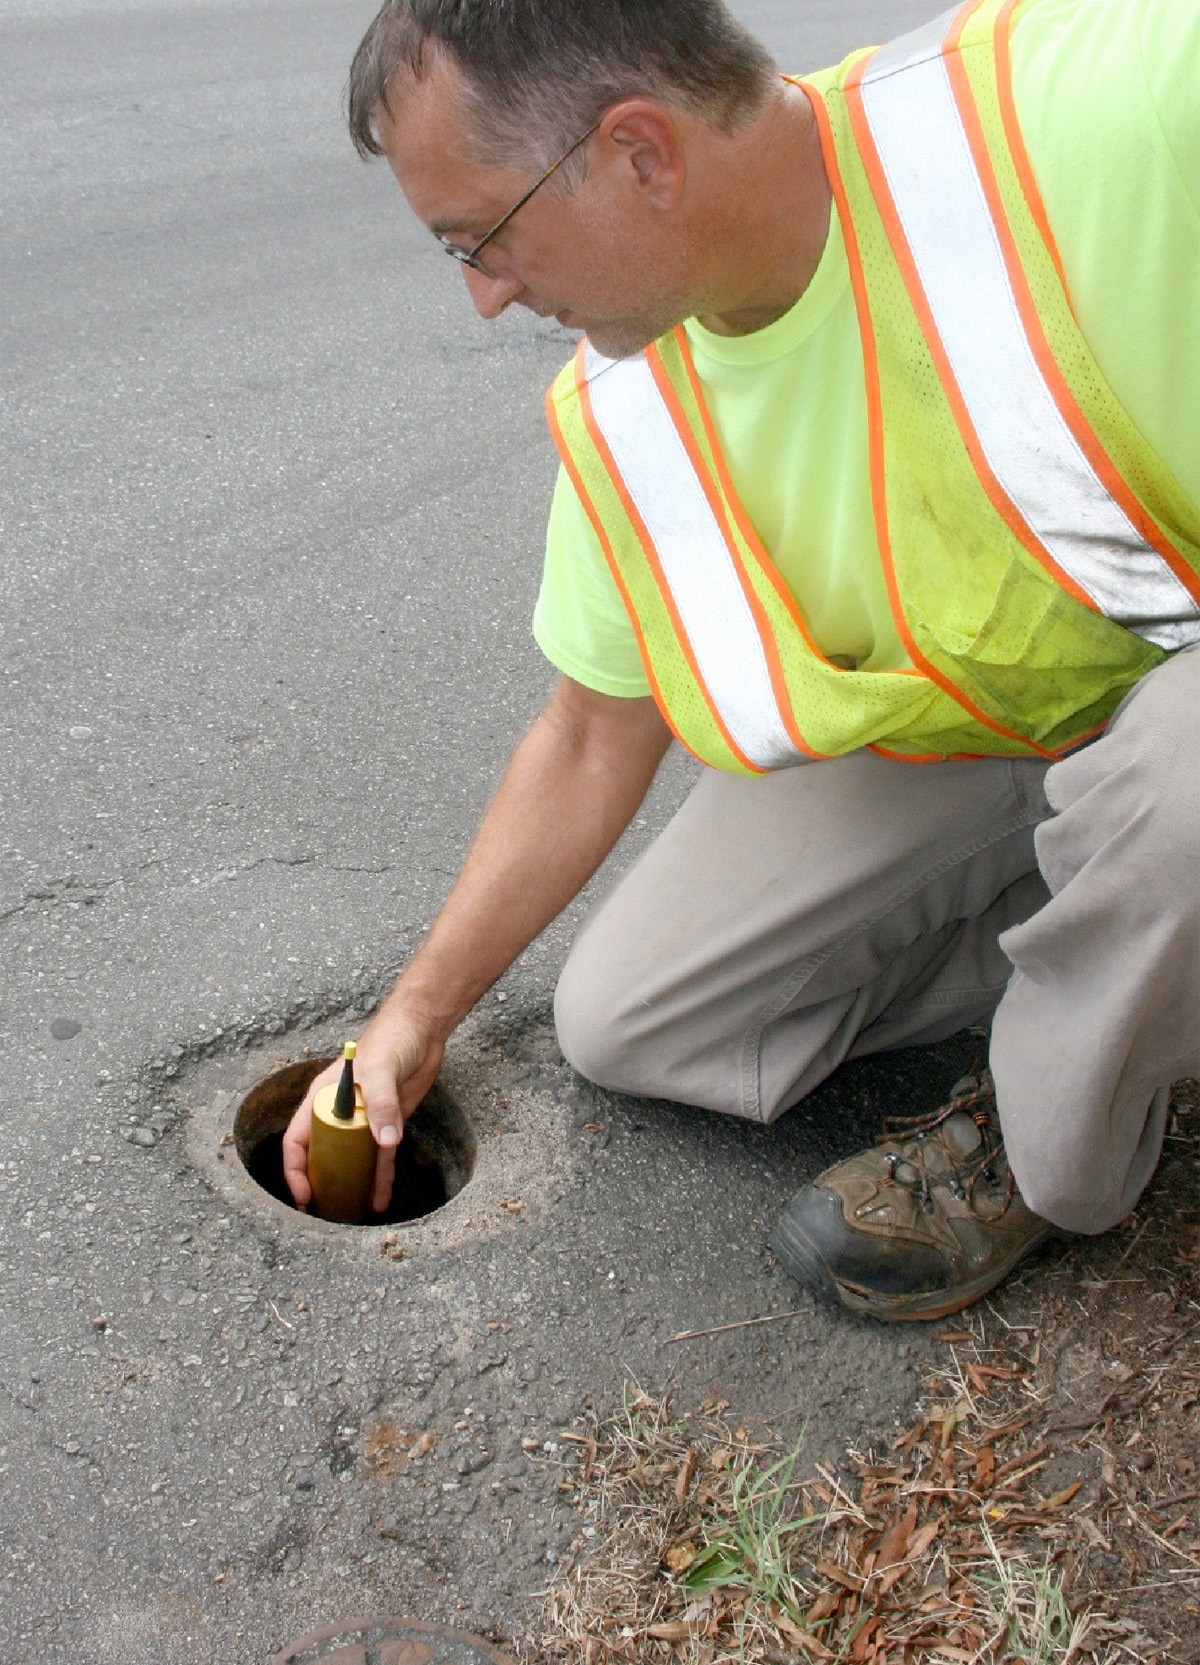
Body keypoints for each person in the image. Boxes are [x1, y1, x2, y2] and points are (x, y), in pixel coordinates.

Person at [283, 0, 1200, 1322]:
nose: (485, 296)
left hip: (1175, 713)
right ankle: (1122, 946)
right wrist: (414, 1017)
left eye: (481, 239)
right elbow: (590, 734)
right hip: (1000, 729)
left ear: (640, 153)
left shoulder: (1094, 106)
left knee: (1180, 797)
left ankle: (1057, 1121)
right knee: (633, 1018)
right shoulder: (636, 401)